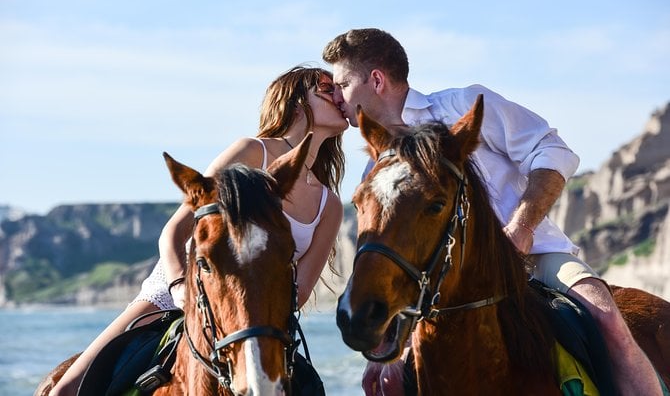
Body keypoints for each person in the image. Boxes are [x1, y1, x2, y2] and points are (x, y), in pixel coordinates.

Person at [322, 28, 663, 396]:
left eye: (341, 84)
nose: (336, 96)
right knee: (388, 383)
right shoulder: (374, 171)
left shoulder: (462, 104)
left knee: (607, 318)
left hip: (535, 257)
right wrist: (381, 348)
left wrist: (522, 226)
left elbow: (554, 151)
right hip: (439, 290)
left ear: (376, 79)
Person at [48, 65, 349, 396]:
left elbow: (300, 291)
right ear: (295, 101)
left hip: (253, 311)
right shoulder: (251, 151)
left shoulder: (329, 204)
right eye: (327, 88)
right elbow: (174, 232)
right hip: (181, 287)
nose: (339, 95)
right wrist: (179, 286)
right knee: (67, 390)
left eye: (340, 89)